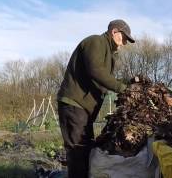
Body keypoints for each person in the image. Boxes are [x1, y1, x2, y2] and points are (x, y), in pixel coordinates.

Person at [57, 19, 135, 178]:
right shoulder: (96, 42)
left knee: (85, 150)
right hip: (75, 104)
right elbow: (96, 71)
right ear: (114, 32)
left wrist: (129, 83)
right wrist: (123, 89)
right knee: (78, 151)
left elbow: (106, 78)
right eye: (124, 38)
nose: (124, 43)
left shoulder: (108, 52)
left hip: (83, 109)